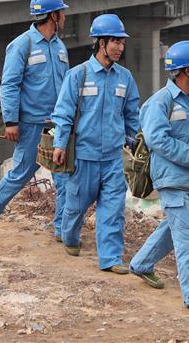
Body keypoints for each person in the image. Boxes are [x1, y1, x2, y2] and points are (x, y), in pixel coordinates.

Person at [128, 40, 189, 314]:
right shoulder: (160, 102)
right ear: (186, 71)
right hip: (170, 179)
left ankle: (141, 264)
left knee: (173, 227)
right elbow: (157, 139)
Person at [51, 14, 140, 273]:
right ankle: (69, 235)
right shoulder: (78, 75)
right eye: (116, 42)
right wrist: (59, 145)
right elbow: (63, 113)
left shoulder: (125, 78)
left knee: (113, 209)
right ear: (101, 43)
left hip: (113, 158)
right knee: (76, 206)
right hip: (83, 156)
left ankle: (110, 258)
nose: (120, 47)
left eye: (122, 42)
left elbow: (132, 115)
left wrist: (135, 144)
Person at [0, 0, 70, 238]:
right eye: (61, 12)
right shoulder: (22, 44)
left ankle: (62, 229)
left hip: (56, 125)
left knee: (63, 177)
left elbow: (67, 85)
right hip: (31, 124)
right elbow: (10, 85)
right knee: (22, 172)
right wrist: (11, 121)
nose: (64, 16)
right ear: (53, 16)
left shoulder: (60, 47)